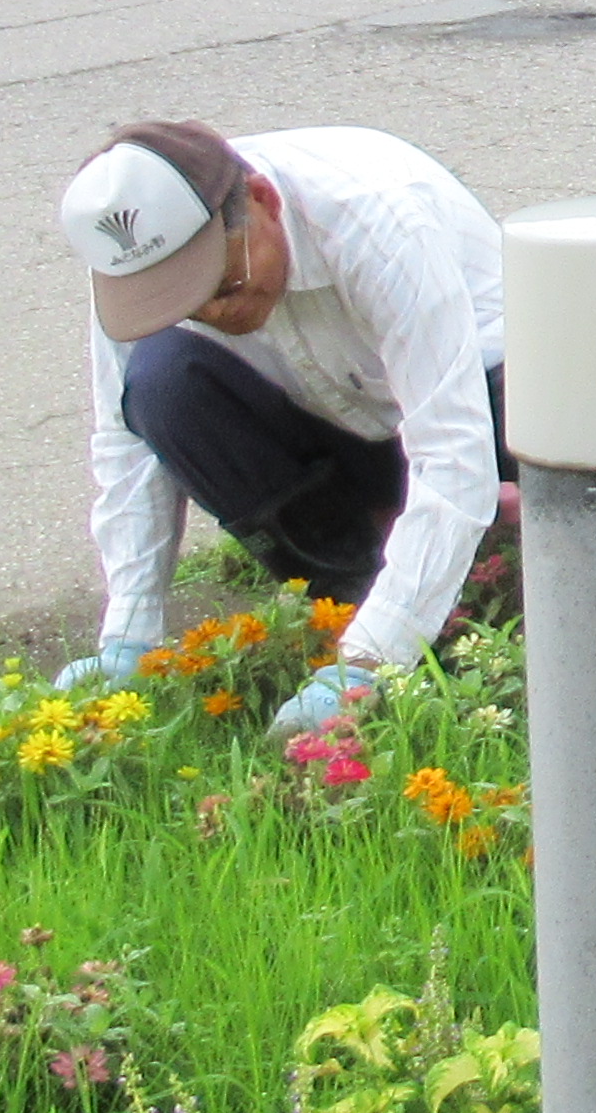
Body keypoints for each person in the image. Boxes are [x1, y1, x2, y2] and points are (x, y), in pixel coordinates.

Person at [51, 118, 506, 752]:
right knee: (160, 384)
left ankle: (439, 613)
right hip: (344, 430)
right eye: (190, 302)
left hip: (488, 410)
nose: (217, 313)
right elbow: (125, 442)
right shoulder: (140, 259)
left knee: (518, 433)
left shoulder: (378, 220)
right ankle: (357, 598)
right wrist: (129, 633)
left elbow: (453, 450)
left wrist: (369, 664)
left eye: (225, 285)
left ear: (262, 201)